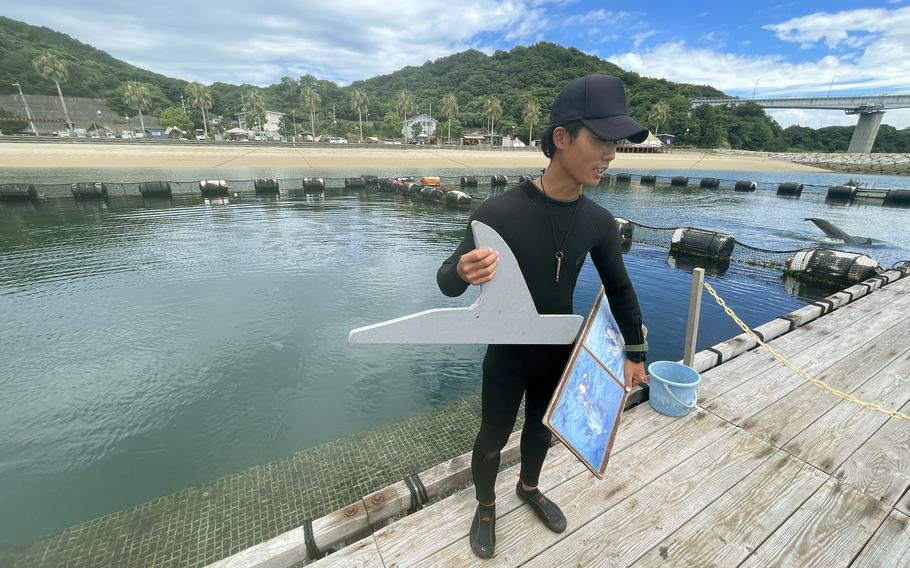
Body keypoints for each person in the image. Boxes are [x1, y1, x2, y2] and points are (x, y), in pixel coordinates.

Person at [435, 74, 650, 559]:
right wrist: (464, 270)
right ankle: (486, 504)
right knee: (492, 435)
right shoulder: (499, 212)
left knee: (541, 430)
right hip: (508, 355)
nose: (610, 154)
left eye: (615, 144)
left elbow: (619, 288)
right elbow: (447, 280)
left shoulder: (598, 222)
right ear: (561, 137)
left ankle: (528, 488)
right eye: (600, 140)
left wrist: (636, 354)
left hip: (559, 354)